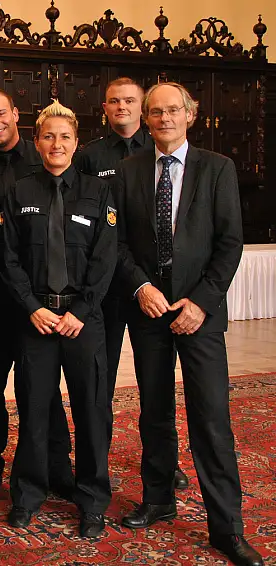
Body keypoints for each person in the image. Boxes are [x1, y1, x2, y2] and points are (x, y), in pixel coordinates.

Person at [116, 82, 263, 566]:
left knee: (211, 419)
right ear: (145, 118)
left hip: (199, 314)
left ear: (190, 114)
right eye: (154, 112)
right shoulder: (130, 170)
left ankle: (226, 526)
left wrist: (200, 302)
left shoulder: (217, 169)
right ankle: (158, 499)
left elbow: (230, 244)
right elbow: (119, 245)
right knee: (154, 412)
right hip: (150, 311)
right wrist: (141, 288)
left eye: (172, 110)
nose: (163, 119)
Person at [1, 100, 116, 538]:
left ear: (76, 143)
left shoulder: (98, 191)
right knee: (32, 410)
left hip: (83, 321)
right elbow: (9, 258)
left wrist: (81, 312)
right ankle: (28, 495)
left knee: (91, 411)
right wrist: (33, 307)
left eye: (65, 137)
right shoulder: (19, 191)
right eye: (48, 136)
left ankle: (91, 501)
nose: (57, 144)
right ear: (37, 141)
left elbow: (104, 261)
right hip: (37, 320)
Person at [74, 78, 190, 490]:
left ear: (142, 106)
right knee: (98, 382)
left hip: (149, 291)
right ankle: (95, 462)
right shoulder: (90, 156)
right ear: (104, 108)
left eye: (130, 101)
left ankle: (164, 464)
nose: (122, 107)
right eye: (114, 101)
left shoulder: (161, 145)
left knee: (155, 385)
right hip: (105, 288)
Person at [0, 88, 73, 496]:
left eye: (1, 114)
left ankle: (55, 469)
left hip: (36, 300)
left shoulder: (44, 155)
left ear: (15, 114)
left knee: (41, 391)